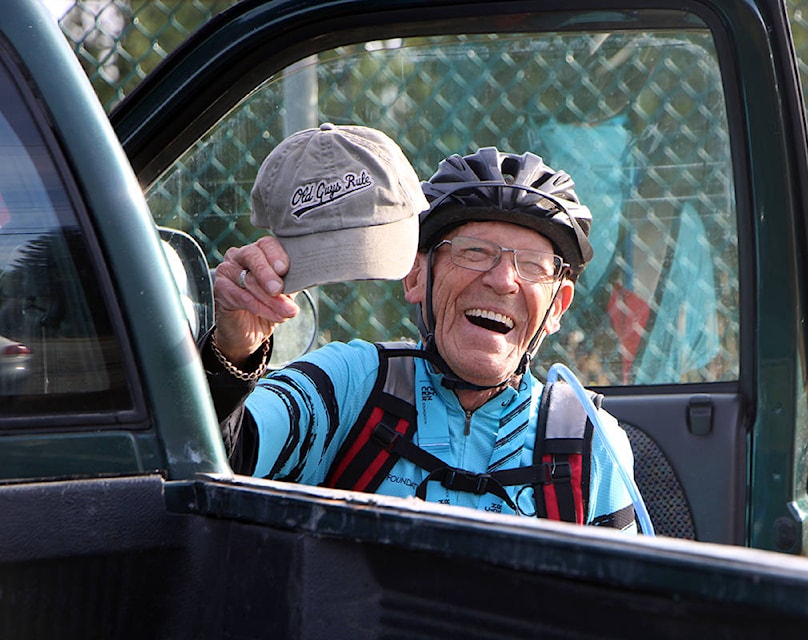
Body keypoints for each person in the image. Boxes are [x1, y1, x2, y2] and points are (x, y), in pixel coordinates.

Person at [202, 131, 642, 534]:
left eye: (531, 266)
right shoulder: (351, 383)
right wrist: (234, 353)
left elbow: (626, 611)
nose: (504, 280)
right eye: (473, 252)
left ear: (557, 306)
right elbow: (218, 457)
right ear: (416, 278)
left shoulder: (585, 438)